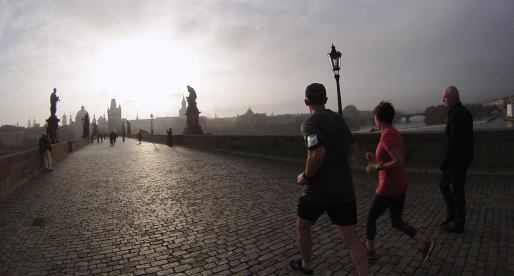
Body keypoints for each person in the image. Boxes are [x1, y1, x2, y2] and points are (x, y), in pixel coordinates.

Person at [289, 83, 368, 276]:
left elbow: (317, 154)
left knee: (302, 226)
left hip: (317, 191)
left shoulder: (309, 123)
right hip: (343, 189)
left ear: (306, 101)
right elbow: (352, 150)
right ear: (325, 100)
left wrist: (306, 176)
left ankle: (307, 265)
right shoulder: (340, 120)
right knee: (352, 240)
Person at [363, 101, 433, 263]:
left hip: (389, 186)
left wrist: (377, 167)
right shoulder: (393, 132)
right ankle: (424, 242)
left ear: (378, 118)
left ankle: (370, 251)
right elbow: (389, 158)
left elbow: (399, 161)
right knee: (396, 221)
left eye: (375, 117)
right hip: (399, 184)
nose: (374, 120)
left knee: (371, 217)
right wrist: (374, 161)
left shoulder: (387, 135)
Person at [439, 86, 473, 233]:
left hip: (457, 161)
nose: (443, 100)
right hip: (457, 160)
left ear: (453, 97)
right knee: (443, 184)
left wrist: (444, 163)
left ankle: (459, 223)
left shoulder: (458, 114)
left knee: (458, 193)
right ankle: (452, 214)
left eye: (445, 97)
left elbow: (454, 141)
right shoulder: (458, 112)